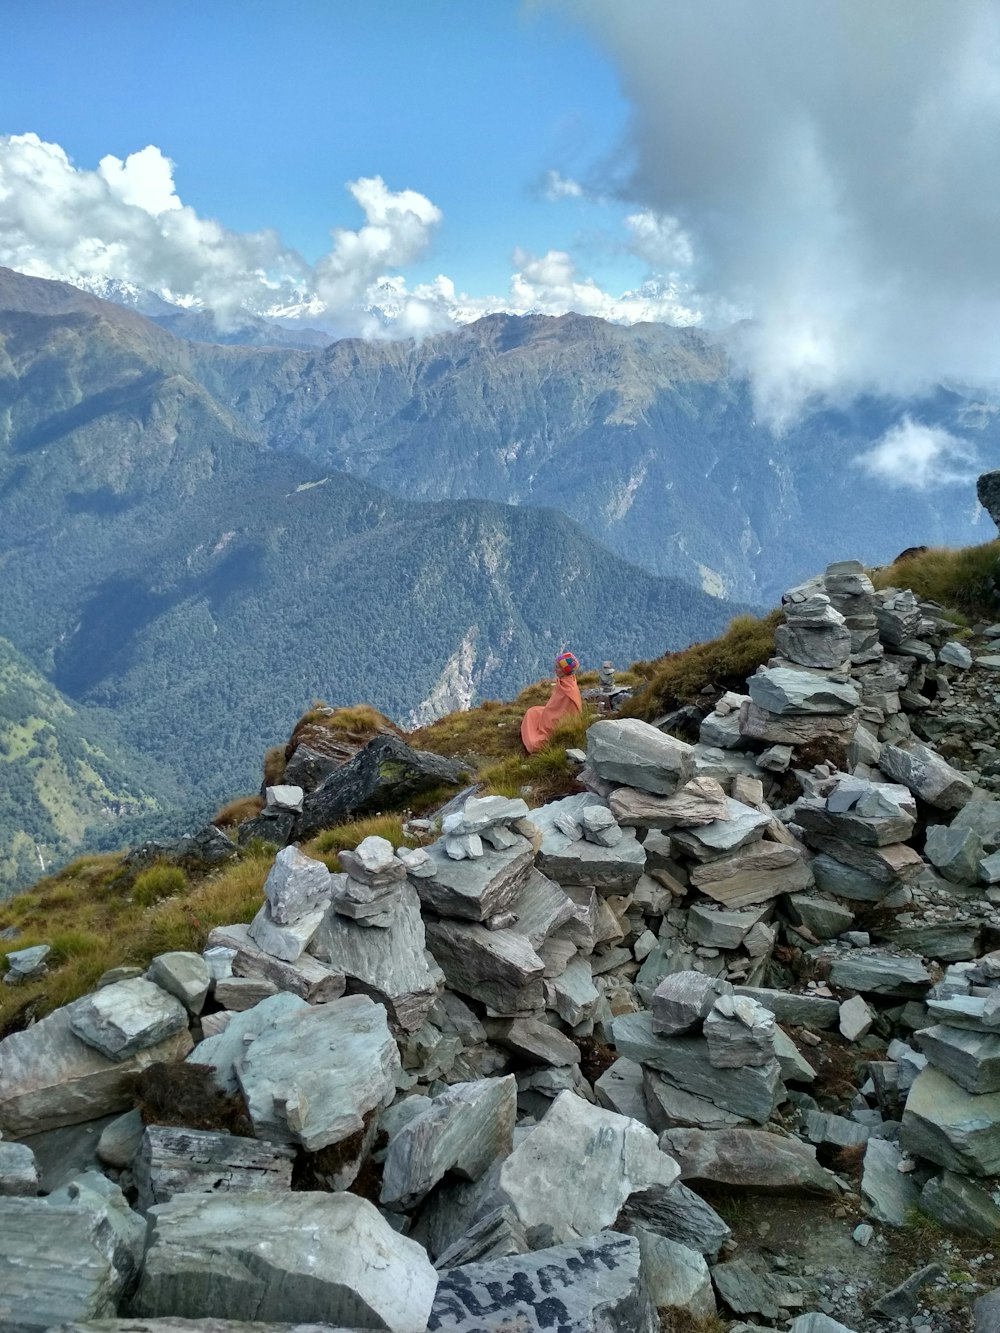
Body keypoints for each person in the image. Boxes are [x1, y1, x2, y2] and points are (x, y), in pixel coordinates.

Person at [520, 651, 583, 754]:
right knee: (532, 712)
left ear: (565, 671)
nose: (555, 669)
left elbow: (569, 714)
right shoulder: (564, 681)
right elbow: (555, 706)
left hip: (555, 723)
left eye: (558, 667)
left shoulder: (569, 691)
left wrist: (550, 717)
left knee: (533, 744)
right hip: (550, 714)